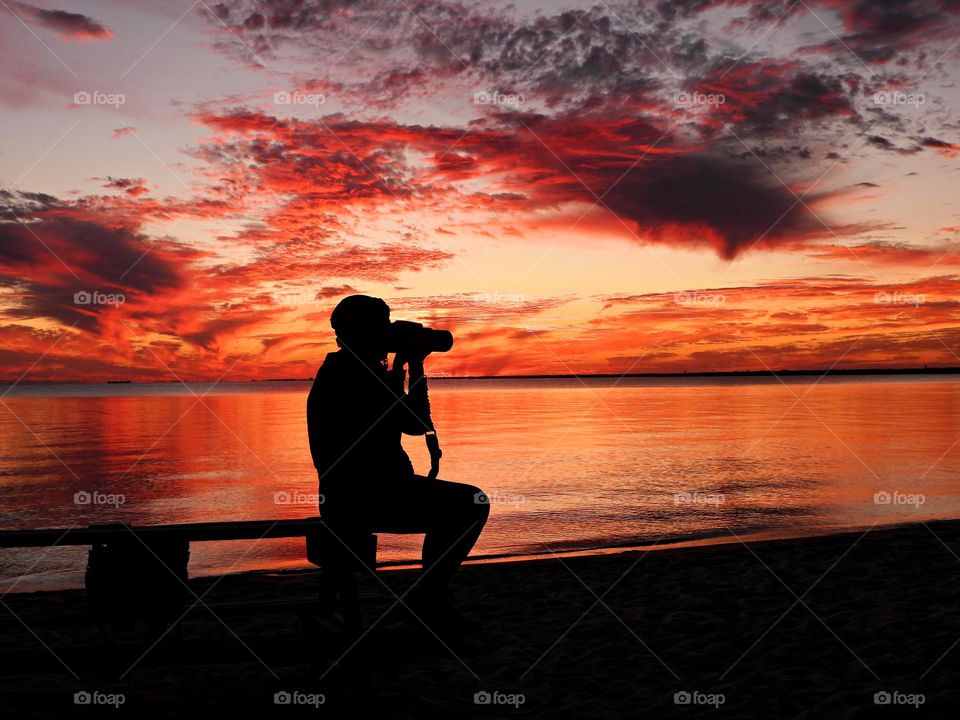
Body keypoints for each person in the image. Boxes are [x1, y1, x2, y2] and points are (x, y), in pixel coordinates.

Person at [306, 294, 490, 635]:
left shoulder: (345, 370)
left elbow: (408, 421)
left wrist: (402, 366)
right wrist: (413, 364)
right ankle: (429, 600)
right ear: (364, 332)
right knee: (472, 503)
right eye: (383, 325)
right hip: (369, 498)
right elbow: (417, 422)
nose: (389, 332)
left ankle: (428, 599)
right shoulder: (355, 375)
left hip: (351, 498)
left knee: (462, 504)